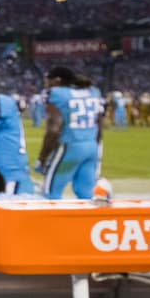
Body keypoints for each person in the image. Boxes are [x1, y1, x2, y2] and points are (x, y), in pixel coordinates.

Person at [36, 66, 104, 199]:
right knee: (86, 193)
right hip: (91, 146)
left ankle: (52, 221)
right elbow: (99, 124)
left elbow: (54, 129)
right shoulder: (93, 91)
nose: (46, 84)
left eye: (48, 80)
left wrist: (42, 157)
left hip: (70, 146)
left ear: (56, 80)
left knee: (50, 193)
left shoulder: (56, 93)